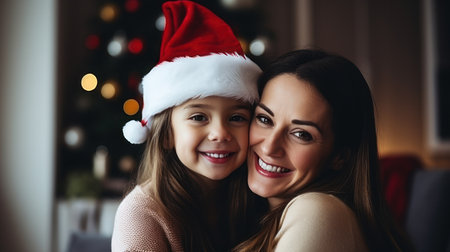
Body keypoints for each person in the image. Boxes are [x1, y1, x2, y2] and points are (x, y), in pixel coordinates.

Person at [111, 1, 263, 251]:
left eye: (236, 118)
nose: (220, 133)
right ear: (167, 135)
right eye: (199, 117)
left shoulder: (255, 198)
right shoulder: (141, 214)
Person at [234, 49, 412, 251]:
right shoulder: (253, 217)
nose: (269, 146)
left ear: (340, 156)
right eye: (264, 119)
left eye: (301, 134)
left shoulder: (318, 211)